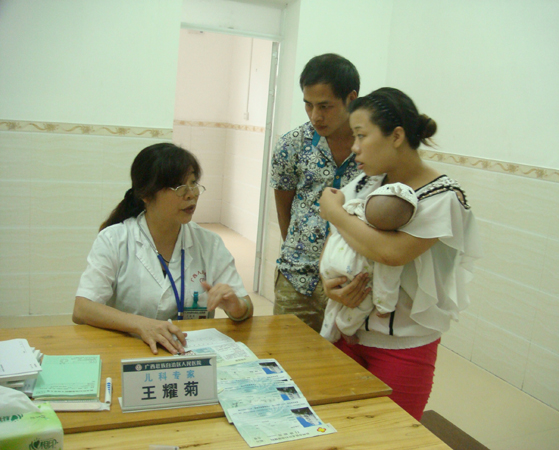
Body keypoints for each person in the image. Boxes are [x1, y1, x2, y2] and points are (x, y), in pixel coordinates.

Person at [318, 87, 482, 420]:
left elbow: (391, 253)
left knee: (392, 436)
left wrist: (333, 212)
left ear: (396, 135)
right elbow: (340, 245)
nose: (355, 147)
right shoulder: (365, 184)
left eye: (361, 136)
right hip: (347, 333)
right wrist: (330, 287)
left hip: (402, 348)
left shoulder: (442, 197)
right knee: (337, 429)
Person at [72, 143, 253, 355]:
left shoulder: (209, 243)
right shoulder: (114, 239)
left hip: (189, 356)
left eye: (193, 183)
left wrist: (236, 306)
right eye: (178, 187)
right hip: (130, 352)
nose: (191, 194)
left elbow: (245, 308)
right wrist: (141, 325)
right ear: (146, 195)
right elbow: (82, 309)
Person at [270, 53, 362, 332]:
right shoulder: (292, 144)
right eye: (308, 105)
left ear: (351, 98)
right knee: (286, 363)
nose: (315, 116)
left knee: (340, 369)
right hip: (295, 278)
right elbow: (284, 206)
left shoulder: (372, 147)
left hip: (348, 282)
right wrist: (295, 249)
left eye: (325, 106)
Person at [319, 182, 418, 344]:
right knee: (362, 303)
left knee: (335, 302)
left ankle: (326, 332)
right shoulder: (384, 244)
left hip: (329, 265)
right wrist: (384, 306)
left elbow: (336, 225)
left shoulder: (354, 210)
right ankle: (345, 328)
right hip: (354, 273)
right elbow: (385, 282)